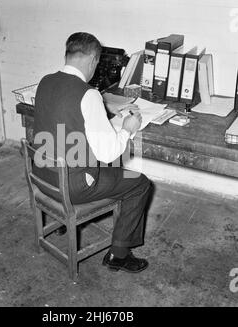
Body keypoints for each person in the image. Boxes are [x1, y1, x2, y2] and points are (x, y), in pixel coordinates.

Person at [33, 32, 153, 273]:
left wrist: (109, 115)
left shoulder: (45, 81)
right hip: (74, 186)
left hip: (43, 177)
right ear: (92, 61)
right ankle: (118, 255)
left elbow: (65, 123)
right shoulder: (88, 94)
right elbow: (109, 154)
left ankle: (60, 222)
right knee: (138, 183)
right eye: (96, 65)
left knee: (102, 164)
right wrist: (127, 129)